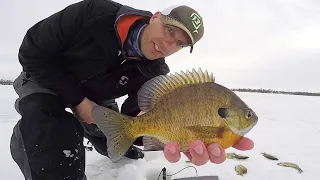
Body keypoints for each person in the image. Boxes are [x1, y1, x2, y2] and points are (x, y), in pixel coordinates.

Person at [10, 0, 254, 179]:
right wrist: (79, 101)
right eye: (170, 30)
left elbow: (134, 117)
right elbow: (32, 53)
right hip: (46, 77)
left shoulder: (156, 72)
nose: (168, 45)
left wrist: (174, 137)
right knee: (49, 127)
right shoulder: (92, 13)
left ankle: (101, 138)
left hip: (97, 97)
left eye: (179, 43)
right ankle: (38, 145)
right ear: (156, 16)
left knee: (118, 136)